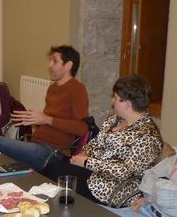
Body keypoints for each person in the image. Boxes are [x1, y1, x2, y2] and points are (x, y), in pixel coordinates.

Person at [44, 75, 163, 206]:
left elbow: (125, 171)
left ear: (127, 104)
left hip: (113, 188)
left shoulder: (148, 135)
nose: (112, 102)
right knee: (52, 168)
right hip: (94, 174)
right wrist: (84, 155)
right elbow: (95, 143)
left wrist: (87, 162)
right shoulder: (113, 120)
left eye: (116, 98)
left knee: (56, 173)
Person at [0, 45, 90, 170]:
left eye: (55, 61)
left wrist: (46, 119)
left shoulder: (77, 89)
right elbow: (51, 123)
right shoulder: (52, 88)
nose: (49, 65)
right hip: (36, 145)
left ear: (68, 65)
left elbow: (82, 128)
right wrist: (34, 120)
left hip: (52, 153)